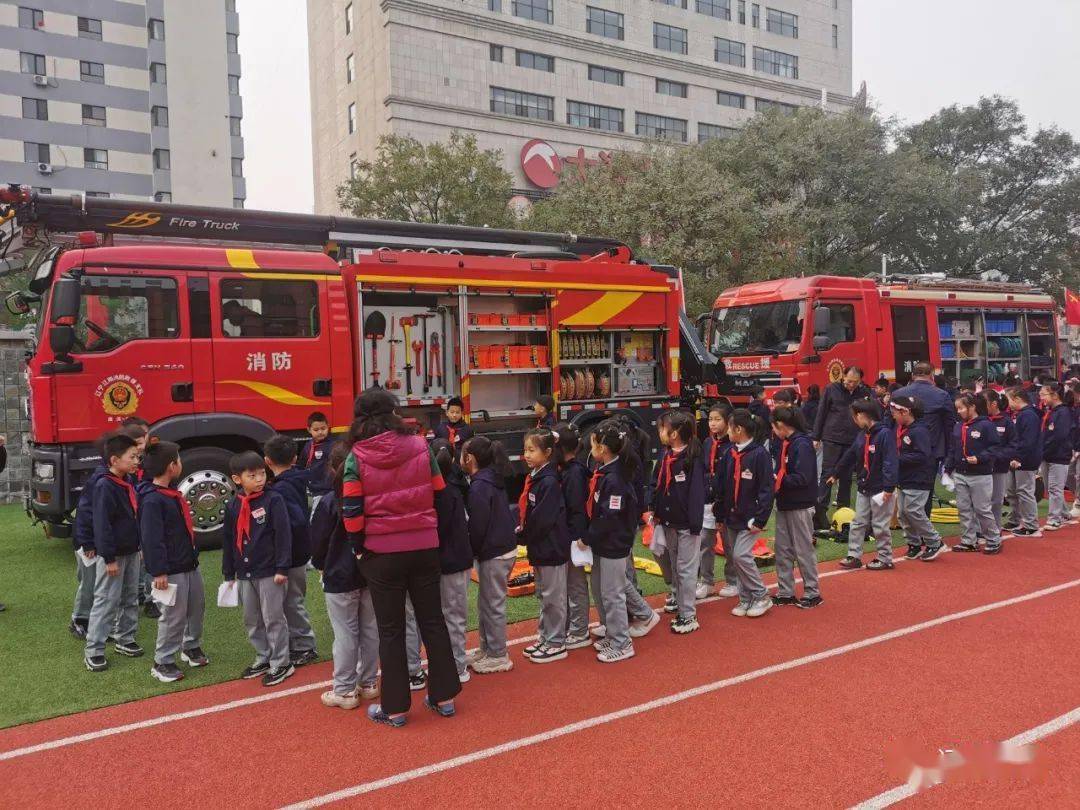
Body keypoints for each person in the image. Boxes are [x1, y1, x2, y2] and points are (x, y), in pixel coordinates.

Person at [343, 388, 460, 726]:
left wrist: (358, 546)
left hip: (381, 552)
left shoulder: (357, 455)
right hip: (424, 545)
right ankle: (445, 697)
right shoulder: (421, 445)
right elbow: (440, 492)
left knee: (390, 629)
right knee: (433, 621)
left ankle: (394, 708)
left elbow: (351, 509)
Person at [312, 443, 380, 710]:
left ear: (332, 468)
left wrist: (320, 565)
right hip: (369, 571)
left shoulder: (329, 502)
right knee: (370, 629)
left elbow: (317, 541)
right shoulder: (370, 497)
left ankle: (344, 689)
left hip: (339, 575)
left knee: (346, 633)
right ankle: (369, 683)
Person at [222, 450, 295, 687]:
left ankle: (282, 661)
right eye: (252, 476)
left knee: (273, 617)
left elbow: (283, 535)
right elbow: (229, 539)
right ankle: (263, 656)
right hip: (245, 572)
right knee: (251, 618)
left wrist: (282, 568)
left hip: (269, 570)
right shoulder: (234, 504)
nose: (259, 479)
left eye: (262, 473)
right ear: (237, 479)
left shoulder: (273, 500)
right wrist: (228, 571)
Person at [139, 441, 208, 683]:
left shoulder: (171, 493)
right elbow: (152, 539)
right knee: (173, 615)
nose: (181, 463)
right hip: (170, 569)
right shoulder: (152, 500)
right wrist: (158, 572)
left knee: (196, 606)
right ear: (172, 466)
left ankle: (191, 646)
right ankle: (163, 661)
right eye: (178, 459)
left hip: (188, 562)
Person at [83, 433, 144, 672]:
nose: (137, 461)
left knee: (130, 597)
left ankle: (125, 639)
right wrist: (108, 558)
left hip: (131, 550)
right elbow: (102, 524)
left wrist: (138, 546)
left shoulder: (128, 481)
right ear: (114, 460)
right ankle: (94, 650)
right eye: (132, 457)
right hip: (113, 554)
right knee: (106, 601)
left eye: (137, 456)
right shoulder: (104, 485)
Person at [583, 418, 641, 662]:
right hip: (604, 542)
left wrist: (587, 537)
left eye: (593, 445)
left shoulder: (615, 479)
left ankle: (622, 642)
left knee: (613, 593)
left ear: (603, 449)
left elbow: (609, 516)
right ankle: (612, 633)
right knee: (603, 590)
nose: (590, 449)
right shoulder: (606, 472)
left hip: (613, 544)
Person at [461, 436, 517, 675]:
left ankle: (498, 654)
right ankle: (487, 648)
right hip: (498, 549)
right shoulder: (488, 479)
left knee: (492, 604)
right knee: (486, 602)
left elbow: (478, 525)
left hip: (496, 552)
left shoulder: (480, 486)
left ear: (470, 458)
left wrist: (470, 550)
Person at [263, 435, 318, 667]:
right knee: (290, 600)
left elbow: (293, 522)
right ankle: (298, 642)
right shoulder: (295, 480)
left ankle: (305, 645)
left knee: (292, 601)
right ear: (295, 458)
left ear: (267, 461)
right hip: (297, 551)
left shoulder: (281, 489)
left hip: (292, 554)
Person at [714, 409, 774, 618]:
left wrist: (760, 518)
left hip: (750, 517)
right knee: (734, 556)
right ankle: (746, 597)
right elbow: (721, 486)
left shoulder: (759, 455)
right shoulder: (730, 453)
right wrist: (719, 515)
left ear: (738, 429)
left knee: (741, 555)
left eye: (729, 428)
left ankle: (761, 594)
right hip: (731, 516)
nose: (727, 432)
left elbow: (767, 488)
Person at [518, 428, 571, 662]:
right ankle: (545, 636)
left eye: (532, 450)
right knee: (543, 594)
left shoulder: (549, 480)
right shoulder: (538, 476)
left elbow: (543, 518)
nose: (526, 455)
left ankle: (557, 641)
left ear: (548, 452)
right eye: (525, 450)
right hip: (540, 546)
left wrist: (525, 533)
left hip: (551, 547)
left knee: (553, 596)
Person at [651, 410, 706, 634]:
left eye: (663, 429)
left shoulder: (691, 459)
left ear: (674, 434)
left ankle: (688, 614)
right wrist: (653, 510)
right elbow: (656, 484)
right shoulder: (666, 456)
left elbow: (696, 494)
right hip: (668, 519)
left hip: (686, 523)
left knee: (686, 568)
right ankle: (678, 599)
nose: (660, 433)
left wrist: (695, 523)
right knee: (674, 565)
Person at [830, 399, 897, 570]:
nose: (854, 421)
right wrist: (836, 473)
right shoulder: (863, 435)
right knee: (858, 522)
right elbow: (851, 455)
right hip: (864, 485)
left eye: (855, 417)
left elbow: (890, 462)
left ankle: (885, 557)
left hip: (880, 488)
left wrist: (889, 487)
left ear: (861, 415)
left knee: (880, 525)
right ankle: (854, 555)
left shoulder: (884, 434)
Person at [769, 406, 821, 609]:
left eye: (773, 427)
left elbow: (803, 477)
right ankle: (785, 591)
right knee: (782, 550)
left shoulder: (802, 445)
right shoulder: (786, 443)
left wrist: (776, 479)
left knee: (803, 550)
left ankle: (812, 591)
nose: (772, 431)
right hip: (784, 503)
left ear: (780, 425)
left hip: (800, 504)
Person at [890, 362, 957, 518]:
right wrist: (948, 454)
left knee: (902, 488)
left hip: (902, 449)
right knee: (925, 492)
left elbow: (889, 422)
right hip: (930, 451)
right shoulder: (941, 395)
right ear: (932, 375)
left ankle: (909, 529)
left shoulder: (898, 393)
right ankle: (923, 531)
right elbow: (950, 426)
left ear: (913, 375)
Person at [431, 440, 472, 683]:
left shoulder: (441, 493)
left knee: (451, 617)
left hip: (450, 562)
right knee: (452, 616)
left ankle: (457, 667)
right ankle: (454, 663)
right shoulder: (455, 486)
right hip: (455, 561)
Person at [813, 367, 872, 531]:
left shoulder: (864, 392)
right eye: (849, 381)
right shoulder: (831, 389)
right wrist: (816, 437)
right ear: (843, 377)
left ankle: (843, 512)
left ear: (860, 381)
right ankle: (820, 513)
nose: (851, 385)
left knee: (846, 477)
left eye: (855, 382)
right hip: (832, 437)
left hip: (854, 439)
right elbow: (821, 412)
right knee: (828, 473)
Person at [945, 393, 1001, 553]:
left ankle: (993, 539)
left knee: (982, 509)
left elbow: (995, 447)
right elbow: (953, 448)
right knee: (964, 509)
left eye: (961, 408)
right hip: (961, 473)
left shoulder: (986, 425)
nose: (959, 411)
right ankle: (968, 540)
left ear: (972, 407)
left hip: (980, 474)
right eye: (957, 408)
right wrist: (947, 469)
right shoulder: (958, 426)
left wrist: (980, 458)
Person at [69, 432, 112, 639]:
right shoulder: (99, 481)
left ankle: (100, 621)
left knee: (101, 584)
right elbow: (85, 514)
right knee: (89, 582)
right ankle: (79, 619)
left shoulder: (117, 478)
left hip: (103, 542)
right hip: (89, 543)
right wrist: (87, 543)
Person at [891, 397, 944, 561]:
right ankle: (913, 544)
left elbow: (922, 455)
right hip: (904, 478)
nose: (893, 416)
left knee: (914, 511)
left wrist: (897, 458)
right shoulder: (902, 429)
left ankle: (934, 541)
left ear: (905, 412)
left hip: (919, 478)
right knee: (903, 514)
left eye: (895, 413)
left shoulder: (919, 431)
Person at [557, 424, 594, 651]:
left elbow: (577, 509)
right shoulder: (567, 470)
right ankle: (573, 625)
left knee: (576, 584)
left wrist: (577, 538)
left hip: (574, 537)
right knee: (569, 584)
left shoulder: (574, 474)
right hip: (568, 535)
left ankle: (580, 630)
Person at [698, 404, 733, 600]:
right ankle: (707, 582)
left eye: (717, 419)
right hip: (707, 500)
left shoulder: (732, 445)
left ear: (728, 422)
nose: (712, 423)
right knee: (705, 542)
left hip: (726, 501)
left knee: (729, 544)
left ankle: (732, 580)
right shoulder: (707, 443)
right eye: (710, 419)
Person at [1002, 387, 1043, 538]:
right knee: (1012, 491)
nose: (1008, 404)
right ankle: (1015, 519)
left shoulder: (1028, 416)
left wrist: (1018, 457)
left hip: (1025, 459)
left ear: (1018, 399)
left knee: (1025, 491)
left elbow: (1028, 441)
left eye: (1009, 400)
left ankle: (1031, 526)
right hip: (1018, 458)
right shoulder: (1023, 414)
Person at [1038, 382, 1074, 532]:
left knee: (1055, 488)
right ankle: (1065, 512)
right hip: (1047, 454)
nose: (1041, 398)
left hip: (1058, 456)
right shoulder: (1051, 411)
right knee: (1051, 487)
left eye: (1043, 394)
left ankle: (1054, 519)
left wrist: (1043, 450)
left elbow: (1059, 436)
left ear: (1055, 395)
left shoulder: (1063, 412)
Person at [985, 390, 1014, 535]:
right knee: (980, 502)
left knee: (996, 500)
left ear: (994, 404)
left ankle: (995, 528)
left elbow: (1013, 445)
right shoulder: (981, 420)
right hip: (981, 468)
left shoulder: (1006, 421)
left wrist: (999, 456)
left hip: (999, 467)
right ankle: (980, 529)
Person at [297, 411, 336, 511]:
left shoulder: (333, 446)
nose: (320, 432)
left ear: (328, 426)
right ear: (309, 430)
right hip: (313, 490)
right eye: (316, 429)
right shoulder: (308, 446)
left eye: (323, 428)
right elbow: (301, 465)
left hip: (329, 489)